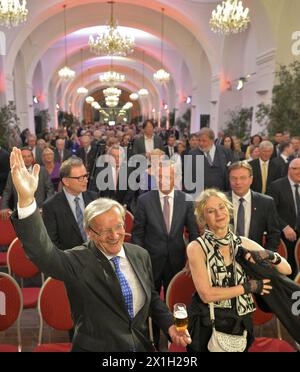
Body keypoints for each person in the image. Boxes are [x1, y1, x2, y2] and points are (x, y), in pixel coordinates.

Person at [9, 147, 191, 352]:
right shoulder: (79, 261)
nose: (114, 236)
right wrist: (26, 201)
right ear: (90, 233)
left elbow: (151, 297)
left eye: (119, 227)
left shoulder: (140, 255)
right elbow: (45, 255)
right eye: (105, 231)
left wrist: (169, 325)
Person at [186, 188, 291, 352]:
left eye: (221, 207)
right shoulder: (196, 247)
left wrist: (270, 255)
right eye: (211, 211)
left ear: (228, 209)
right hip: (208, 322)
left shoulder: (242, 242)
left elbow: (287, 269)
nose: (219, 214)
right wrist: (249, 287)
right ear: (203, 218)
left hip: (241, 321)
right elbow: (207, 295)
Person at [42, 156, 98, 251]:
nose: (86, 180)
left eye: (86, 175)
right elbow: (52, 243)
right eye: (80, 178)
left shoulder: (94, 198)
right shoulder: (51, 206)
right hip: (69, 261)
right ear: (66, 181)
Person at [228, 161, 280, 251]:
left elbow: (274, 234)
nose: (238, 182)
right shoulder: (221, 200)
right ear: (229, 180)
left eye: (243, 178)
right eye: (234, 178)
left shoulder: (266, 202)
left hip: (254, 257)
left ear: (251, 179)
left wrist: (265, 256)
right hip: (225, 257)